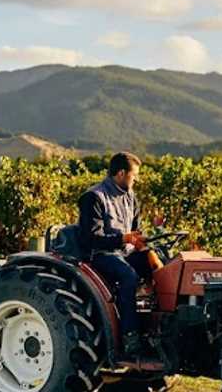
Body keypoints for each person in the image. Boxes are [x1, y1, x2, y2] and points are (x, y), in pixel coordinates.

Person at [78, 152, 152, 358]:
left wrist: (146, 248)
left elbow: (136, 232)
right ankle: (129, 336)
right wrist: (123, 239)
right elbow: (90, 239)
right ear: (121, 173)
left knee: (162, 266)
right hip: (100, 254)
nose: (136, 179)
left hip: (124, 252)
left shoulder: (131, 197)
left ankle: (156, 328)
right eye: (134, 175)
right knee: (128, 276)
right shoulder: (94, 197)